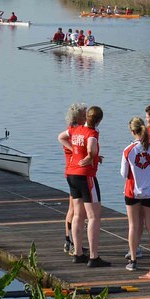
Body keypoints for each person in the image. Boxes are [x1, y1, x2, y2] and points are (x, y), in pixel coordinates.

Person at [58, 106, 110, 267]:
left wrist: (76, 151)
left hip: (72, 175)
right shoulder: (92, 133)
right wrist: (90, 157)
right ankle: (94, 257)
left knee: (77, 215)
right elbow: (91, 148)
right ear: (99, 120)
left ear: (86, 117)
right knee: (93, 216)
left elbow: (61, 137)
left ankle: (78, 252)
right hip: (86, 175)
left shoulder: (76, 129)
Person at [120, 117, 150, 271]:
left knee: (133, 225)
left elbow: (124, 174)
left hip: (132, 192)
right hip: (149, 192)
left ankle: (133, 261)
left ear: (132, 131)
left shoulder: (128, 150)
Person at [61, 103, 88, 255]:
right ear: (78, 117)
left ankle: (72, 241)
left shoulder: (79, 131)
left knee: (76, 209)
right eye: (84, 115)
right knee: (73, 209)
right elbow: (61, 137)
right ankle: (69, 241)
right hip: (73, 171)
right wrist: (75, 150)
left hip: (75, 171)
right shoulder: (73, 131)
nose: (86, 117)